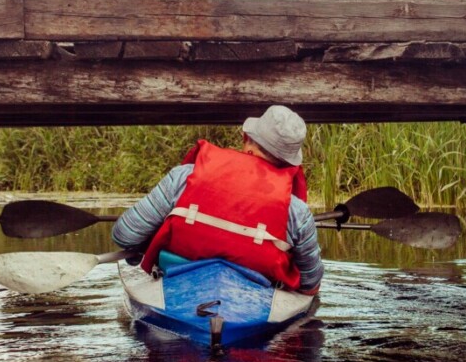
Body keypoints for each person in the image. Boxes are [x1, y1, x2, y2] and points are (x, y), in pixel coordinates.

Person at [112, 105, 324, 294]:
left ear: (247, 139)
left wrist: (141, 249)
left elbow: (125, 235)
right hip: (252, 301)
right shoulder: (298, 212)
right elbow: (310, 284)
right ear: (290, 162)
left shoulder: (184, 177)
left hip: (179, 287)